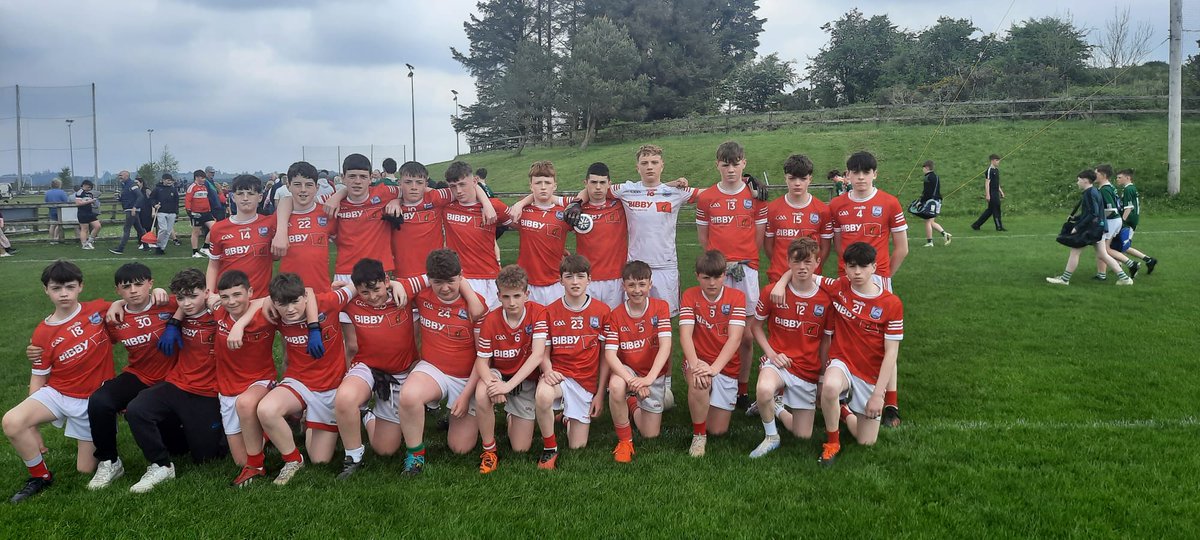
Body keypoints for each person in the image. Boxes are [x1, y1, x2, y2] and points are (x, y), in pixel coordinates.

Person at [4, 261, 113, 503]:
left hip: (91, 401)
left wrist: (158, 293)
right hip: (58, 392)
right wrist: (32, 427)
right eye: (56, 288)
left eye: (69, 287)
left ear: (80, 287)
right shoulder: (42, 332)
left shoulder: (98, 310)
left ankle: (100, 439)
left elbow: (129, 303)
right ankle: (40, 476)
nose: (64, 293)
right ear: (46, 290)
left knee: (85, 469)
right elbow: (39, 374)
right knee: (13, 422)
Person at [67, 263, 174, 491]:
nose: (133, 290)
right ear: (118, 290)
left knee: (141, 410)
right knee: (100, 401)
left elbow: (194, 301)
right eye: (126, 287)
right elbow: (84, 324)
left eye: (139, 284)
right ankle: (110, 461)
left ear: (150, 283)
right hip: (139, 374)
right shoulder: (115, 316)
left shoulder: (166, 303)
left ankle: (162, 463)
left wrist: (162, 294)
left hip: (173, 377)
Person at [124, 268, 225, 493]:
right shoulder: (173, 308)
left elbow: (255, 305)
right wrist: (160, 296)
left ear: (206, 292)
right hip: (177, 383)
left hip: (208, 391)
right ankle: (160, 465)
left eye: (193, 296)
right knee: (137, 409)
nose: (187, 303)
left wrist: (217, 303)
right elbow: (135, 301)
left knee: (205, 457)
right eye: (181, 297)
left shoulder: (220, 312)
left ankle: (216, 431)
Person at [828, 150, 907, 428]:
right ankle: (843, 391)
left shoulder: (889, 202)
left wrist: (881, 278)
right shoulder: (837, 205)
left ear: (875, 174)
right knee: (847, 338)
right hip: (847, 281)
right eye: (855, 172)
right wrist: (851, 274)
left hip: (879, 280)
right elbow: (839, 247)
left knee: (885, 343)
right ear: (847, 175)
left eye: (866, 172)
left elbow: (902, 248)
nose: (860, 178)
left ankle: (890, 403)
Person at [332, 259, 426, 480]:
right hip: (367, 368)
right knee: (344, 397)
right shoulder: (350, 299)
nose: (372, 297)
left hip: (399, 373)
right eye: (365, 292)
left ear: (385, 281)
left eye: (376, 289)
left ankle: (368, 417)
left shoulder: (403, 293)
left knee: (385, 449)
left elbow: (431, 276)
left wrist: (398, 284)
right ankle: (353, 457)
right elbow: (309, 299)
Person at [395, 249, 487, 476]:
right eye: (438, 282)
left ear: (461, 277)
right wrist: (396, 284)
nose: (445, 288)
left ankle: (454, 410)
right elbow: (396, 286)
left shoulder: (476, 306)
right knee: (408, 395)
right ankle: (415, 455)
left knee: (460, 448)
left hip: (467, 376)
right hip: (433, 369)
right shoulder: (423, 294)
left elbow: (483, 357)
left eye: (451, 282)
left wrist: (466, 395)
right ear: (429, 279)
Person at [255, 273, 352, 485]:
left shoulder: (329, 302)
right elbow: (243, 303)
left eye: (295, 302)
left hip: (329, 387)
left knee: (320, 459)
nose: (290, 310)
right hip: (298, 381)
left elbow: (355, 288)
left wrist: (391, 284)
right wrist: (262, 304)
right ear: (274, 302)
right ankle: (293, 460)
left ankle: (307, 418)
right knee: (266, 409)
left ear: (305, 298)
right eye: (282, 304)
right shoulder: (274, 313)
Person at [817, 242, 904, 466]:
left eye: (863, 267)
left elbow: (891, 354)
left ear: (874, 267)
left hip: (869, 374)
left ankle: (844, 410)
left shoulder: (891, 304)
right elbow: (806, 273)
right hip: (842, 363)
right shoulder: (839, 287)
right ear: (844, 268)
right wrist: (783, 282)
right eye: (852, 266)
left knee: (866, 442)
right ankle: (832, 442)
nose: (857, 272)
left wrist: (878, 395)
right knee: (829, 386)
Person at [695, 141, 766, 409]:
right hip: (718, 271)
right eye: (726, 164)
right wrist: (721, 265)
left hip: (746, 270)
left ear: (744, 164)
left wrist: (743, 262)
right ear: (718, 166)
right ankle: (714, 377)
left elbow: (757, 239)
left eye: (736, 164)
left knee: (746, 335)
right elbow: (704, 239)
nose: (731, 169)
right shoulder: (707, 198)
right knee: (717, 330)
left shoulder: (755, 196)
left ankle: (742, 388)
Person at [748, 238, 832, 458]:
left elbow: (825, 341)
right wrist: (771, 354)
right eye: (796, 262)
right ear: (788, 262)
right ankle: (771, 437)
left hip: (807, 369)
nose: (802, 268)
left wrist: (822, 378)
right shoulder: (772, 292)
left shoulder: (826, 298)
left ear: (817, 262)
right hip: (778, 361)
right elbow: (755, 326)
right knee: (765, 388)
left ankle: (776, 407)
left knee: (802, 435)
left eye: (807, 262)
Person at [534, 254, 610, 469]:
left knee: (578, 446)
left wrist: (600, 394)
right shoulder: (548, 311)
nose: (575, 282)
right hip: (558, 375)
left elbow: (605, 357)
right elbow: (543, 352)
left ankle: (567, 417)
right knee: (543, 395)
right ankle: (550, 448)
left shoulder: (602, 312)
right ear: (561, 281)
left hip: (585, 382)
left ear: (589, 279)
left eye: (580, 276)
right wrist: (547, 371)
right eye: (569, 277)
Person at [473, 265, 549, 473]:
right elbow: (482, 361)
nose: (512, 302)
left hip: (523, 379)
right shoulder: (491, 320)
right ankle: (489, 451)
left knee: (521, 448)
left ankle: (510, 413)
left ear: (527, 294)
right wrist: (493, 385)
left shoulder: (538, 313)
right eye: (506, 297)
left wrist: (507, 387)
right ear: (498, 295)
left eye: (517, 296)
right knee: (482, 393)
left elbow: (537, 355)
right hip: (499, 374)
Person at [213, 270, 279, 487]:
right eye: (225, 297)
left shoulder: (267, 314)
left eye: (237, 294)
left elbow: (272, 297)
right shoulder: (217, 310)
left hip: (259, 381)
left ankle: (256, 467)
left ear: (250, 292)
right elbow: (189, 298)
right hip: (227, 388)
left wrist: (240, 325)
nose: (231, 302)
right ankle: (269, 431)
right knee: (240, 460)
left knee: (246, 402)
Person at [679, 250, 746, 458]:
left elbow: (735, 339)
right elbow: (685, 335)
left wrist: (715, 368)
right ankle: (699, 436)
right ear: (697, 275)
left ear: (725, 275)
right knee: (700, 381)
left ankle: (703, 411)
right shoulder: (690, 295)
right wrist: (695, 364)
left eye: (717, 277)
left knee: (718, 430)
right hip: (698, 361)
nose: (711, 283)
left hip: (725, 367)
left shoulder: (737, 297)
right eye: (706, 277)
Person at [603, 260, 672, 463]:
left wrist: (648, 379)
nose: (637, 290)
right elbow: (610, 355)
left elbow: (665, 346)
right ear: (623, 286)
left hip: (652, 374)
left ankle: (632, 402)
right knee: (616, 385)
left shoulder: (661, 307)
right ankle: (625, 442)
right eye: (631, 285)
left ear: (650, 284)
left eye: (642, 284)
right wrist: (633, 381)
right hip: (628, 371)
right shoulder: (615, 315)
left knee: (650, 434)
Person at [1045, 170, 1132, 286]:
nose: (1077, 182)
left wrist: (1078, 227)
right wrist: (1076, 218)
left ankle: (1064, 279)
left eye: (1079, 180)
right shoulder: (1094, 191)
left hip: (1091, 229)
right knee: (1103, 254)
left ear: (1085, 180)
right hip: (1098, 228)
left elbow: (1093, 214)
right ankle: (1125, 279)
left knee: (1075, 252)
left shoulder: (1089, 193)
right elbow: (1090, 212)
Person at [441, 161, 507, 310]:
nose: (458, 191)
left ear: (475, 181)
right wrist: (396, 199)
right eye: (453, 186)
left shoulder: (494, 207)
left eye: (462, 184)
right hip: (463, 278)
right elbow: (420, 194)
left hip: (491, 277)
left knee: (493, 328)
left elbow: (521, 223)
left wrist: (487, 203)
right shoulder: (446, 206)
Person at [205, 175, 276, 302]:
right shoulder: (218, 228)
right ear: (233, 197)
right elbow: (213, 265)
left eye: (250, 193)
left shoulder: (270, 223)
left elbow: (288, 201)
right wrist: (210, 293)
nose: (245, 198)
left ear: (260, 197)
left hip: (260, 299)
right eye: (240, 193)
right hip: (229, 300)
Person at [511, 161, 572, 305]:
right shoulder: (521, 210)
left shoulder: (565, 212)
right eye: (538, 183)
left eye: (547, 182)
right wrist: (521, 203)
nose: (543, 187)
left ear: (554, 185)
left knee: (556, 326)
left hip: (556, 283)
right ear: (531, 186)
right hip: (526, 283)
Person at [765, 154, 832, 282]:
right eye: (792, 178)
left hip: (810, 277)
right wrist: (781, 264)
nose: (797, 183)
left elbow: (825, 248)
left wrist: (811, 267)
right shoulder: (773, 208)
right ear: (785, 178)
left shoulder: (822, 210)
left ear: (810, 179)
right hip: (778, 275)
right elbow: (769, 247)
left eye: (803, 179)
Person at [573, 163, 628, 309]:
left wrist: (672, 184)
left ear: (609, 184)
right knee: (589, 326)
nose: (598, 187)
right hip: (586, 278)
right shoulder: (576, 210)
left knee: (612, 325)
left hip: (615, 279)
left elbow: (646, 190)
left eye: (602, 182)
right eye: (593, 182)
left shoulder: (621, 205)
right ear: (586, 183)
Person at [391, 161, 454, 280]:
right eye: (408, 182)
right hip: (403, 274)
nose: (414, 187)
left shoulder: (436, 198)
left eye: (419, 183)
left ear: (426, 184)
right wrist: (395, 201)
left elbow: (468, 186)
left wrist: (486, 203)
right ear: (399, 183)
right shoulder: (388, 205)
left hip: (433, 273)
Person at [1094, 164, 1139, 280]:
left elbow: (1111, 209)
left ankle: (1131, 264)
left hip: (1111, 221)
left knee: (1105, 249)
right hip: (1114, 220)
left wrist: (1096, 218)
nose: (1094, 176)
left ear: (1103, 175)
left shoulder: (1104, 190)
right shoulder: (1109, 187)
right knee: (1102, 248)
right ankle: (1101, 274)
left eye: (1096, 173)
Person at [1115, 169, 1158, 274]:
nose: (1117, 179)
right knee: (1119, 245)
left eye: (1119, 177)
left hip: (1129, 221)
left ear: (1128, 178)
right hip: (1131, 220)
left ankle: (1148, 260)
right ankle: (1118, 264)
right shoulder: (1131, 188)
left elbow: (1128, 208)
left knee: (1124, 245)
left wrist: (1122, 221)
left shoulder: (1128, 189)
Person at [110, 171, 148, 254]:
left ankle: (120, 248)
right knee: (140, 230)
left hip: (131, 210)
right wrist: (119, 198)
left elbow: (140, 196)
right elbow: (127, 197)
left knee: (126, 229)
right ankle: (146, 246)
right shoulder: (125, 185)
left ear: (126, 176)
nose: (119, 177)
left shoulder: (132, 185)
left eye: (121, 175)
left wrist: (134, 207)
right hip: (130, 209)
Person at [918, 160, 952, 247]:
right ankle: (945, 234)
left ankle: (930, 242)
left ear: (927, 168)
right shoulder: (936, 176)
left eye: (923, 168)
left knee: (928, 221)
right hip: (938, 201)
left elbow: (927, 192)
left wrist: (921, 201)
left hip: (931, 202)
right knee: (931, 221)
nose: (923, 170)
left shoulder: (927, 177)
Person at [186, 169, 217, 258]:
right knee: (196, 232)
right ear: (196, 178)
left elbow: (206, 200)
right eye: (202, 178)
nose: (204, 180)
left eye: (204, 178)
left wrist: (209, 210)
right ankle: (195, 252)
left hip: (206, 212)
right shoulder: (192, 187)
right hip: (197, 213)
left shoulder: (204, 187)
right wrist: (189, 211)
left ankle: (205, 247)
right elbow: (188, 200)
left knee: (215, 228)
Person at [971, 154, 1006, 231]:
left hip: (996, 193)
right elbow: (987, 183)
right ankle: (999, 227)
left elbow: (997, 183)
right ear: (992, 160)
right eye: (997, 160)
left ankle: (976, 225)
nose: (998, 162)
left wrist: (1001, 192)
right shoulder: (989, 170)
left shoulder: (996, 170)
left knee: (990, 211)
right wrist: (987, 195)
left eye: (998, 160)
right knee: (996, 209)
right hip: (992, 193)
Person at [151, 174, 180, 255]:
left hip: (172, 213)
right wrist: (155, 205)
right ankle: (158, 245)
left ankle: (162, 248)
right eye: (167, 180)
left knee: (168, 231)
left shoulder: (173, 190)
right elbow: (151, 199)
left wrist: (176, 212)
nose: (169, 182)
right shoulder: (157, 189)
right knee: (163, 229)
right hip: (161, 212)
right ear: (163, 180)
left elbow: (176, 202)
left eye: (170, 180)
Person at [73, 179, 102, 250]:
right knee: (84, 229)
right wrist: (90, 201)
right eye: (88, 187)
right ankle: (84, 244)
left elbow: (91, 203)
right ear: (84, 185)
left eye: (90, 187)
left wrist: (94, 202)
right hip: (82, 213)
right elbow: (78, 203)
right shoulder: (79, 192)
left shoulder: (90, 194)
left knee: (98, 226)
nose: (89, 189)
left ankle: (90, 241)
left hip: (90, 212)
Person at [44, 178, 70, 244]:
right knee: (60, 224)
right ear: (59, 184)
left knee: (52, 225)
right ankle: (57, 237)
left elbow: (46, 201)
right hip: (61, 210)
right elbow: (66, 201)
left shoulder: (48, 192)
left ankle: (51, 239)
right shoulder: (61, 192)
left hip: (51, 210)